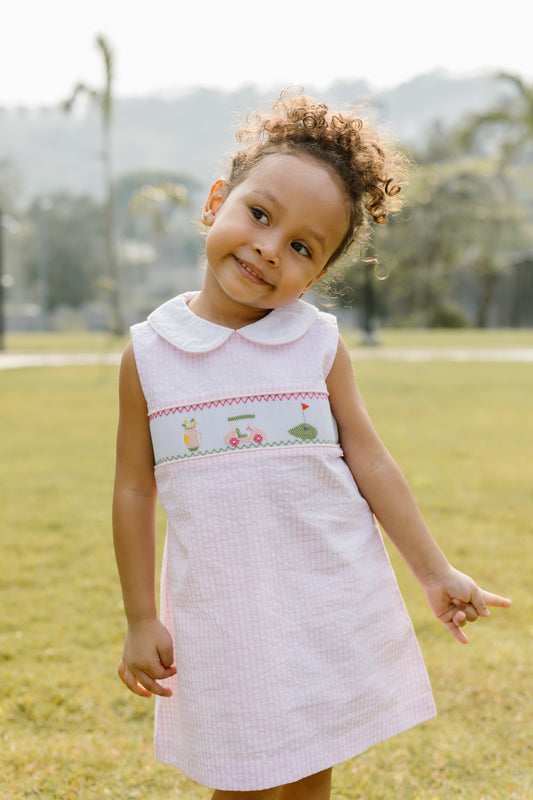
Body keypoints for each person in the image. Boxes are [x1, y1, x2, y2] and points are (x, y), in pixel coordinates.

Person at [112, 91, 511, 800]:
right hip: (221, 612)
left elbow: (371, 460)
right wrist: (142, 616)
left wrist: (433, 571)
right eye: (259, 215)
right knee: (236, 778)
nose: (269, 248)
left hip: (318, 602)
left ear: (317, 275)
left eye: (301, 246)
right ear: (216, 201)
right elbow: (134, 489)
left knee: (304, 776)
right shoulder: (150, 353)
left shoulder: (313, 344)